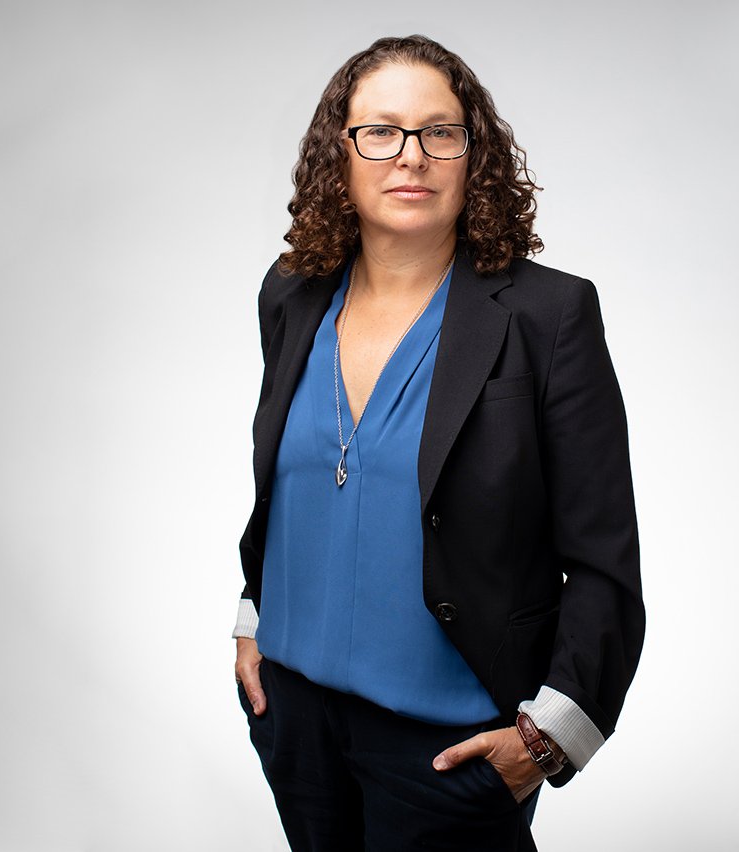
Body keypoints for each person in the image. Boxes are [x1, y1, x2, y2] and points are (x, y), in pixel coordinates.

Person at [230, 34, 644, 851]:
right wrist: (253, 615)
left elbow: (603, 558)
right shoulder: (291, 295)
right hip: (295, 722)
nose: (409, 157)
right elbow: (291, 484)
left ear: (472, 155)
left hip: (450, 747)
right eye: (380, 132)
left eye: (439, 132)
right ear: (338, 156)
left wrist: (549, 735)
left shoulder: (548, 317)